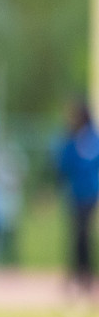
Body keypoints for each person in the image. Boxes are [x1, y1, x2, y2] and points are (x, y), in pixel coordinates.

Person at [55, 100, 99, 298]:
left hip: (90, 195)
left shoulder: (93, 139)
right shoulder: (72, 140)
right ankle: (77, 274)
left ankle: (85, 276)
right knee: (76, 237)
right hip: (75, 195)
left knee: (83, 236)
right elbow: (63, 166)